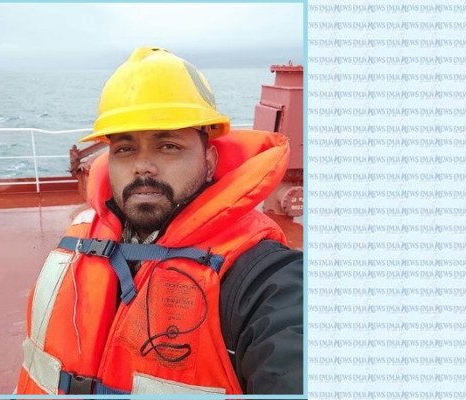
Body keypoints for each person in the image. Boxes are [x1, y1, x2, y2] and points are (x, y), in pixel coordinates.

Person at [15, 47, 303, 395]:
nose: (142, 167)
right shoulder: (82, 238)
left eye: (167, 145)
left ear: (210, 162)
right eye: (125, 149)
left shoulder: (260, 278)